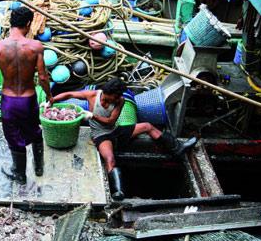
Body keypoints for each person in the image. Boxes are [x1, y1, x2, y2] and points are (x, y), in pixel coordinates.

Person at [53, 78, 197, 200]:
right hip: (101, 135)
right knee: (110, 159)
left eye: (118, 97)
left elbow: (110, 121)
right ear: (106, 93)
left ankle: (178, 148)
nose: (116, 100)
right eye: (113, 97)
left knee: (147, 126)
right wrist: (51, 100)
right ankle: (118, 191)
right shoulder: (92, 95)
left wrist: (92, 115)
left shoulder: (120, 101)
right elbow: (69, 94)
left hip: (115, 130)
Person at [0, 6, 52, 185]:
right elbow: (43, 76)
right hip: (29, 99)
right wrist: (49, 96)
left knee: (14, 137)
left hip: (9, 101)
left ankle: (20, 174)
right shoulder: (35, 46)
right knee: (35, 131)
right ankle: (39, 166)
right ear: (29, 23)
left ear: (10, 23)